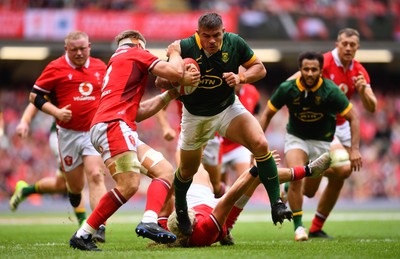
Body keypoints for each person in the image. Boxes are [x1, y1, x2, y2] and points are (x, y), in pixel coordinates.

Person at [155, 12, 291, 236]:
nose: (211, 41)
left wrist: (241, 78)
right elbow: (160, 80)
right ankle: (180, 209)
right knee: (187, 170)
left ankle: (276, 202)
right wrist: (179, 76)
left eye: (216, 36)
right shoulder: (183, 48)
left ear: (223, 33)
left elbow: (260, 68)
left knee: (260, 143)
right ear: (198, 34)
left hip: (227, 108)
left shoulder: (235, 43)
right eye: (206, 36)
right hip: (195, 116)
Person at [68, 29, 200, 251]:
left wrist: (171, 95)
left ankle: (148, 220)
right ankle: (84, 234)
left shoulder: (118, 61)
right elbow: (175, 72)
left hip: (117, 125)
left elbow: (137, 112)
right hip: (114, 126)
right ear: (138, 42)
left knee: (165, 171)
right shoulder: (136, 53)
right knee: (128, 184)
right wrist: (175, 52)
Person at [259, 51, 362, 242]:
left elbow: (353, 118)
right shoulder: (287, 88)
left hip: (322, 142)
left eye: (314, 69)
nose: (309, 73)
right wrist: (257, 147)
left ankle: (288, 185)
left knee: (310, 190)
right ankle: (299, 227)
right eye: (305, 69)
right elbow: (266, 115)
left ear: (321, 71)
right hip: (296, 138)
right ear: (300, 70)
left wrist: (354, 149)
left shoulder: (330, 90)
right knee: (298, 175)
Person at [287, 28, 377, 239]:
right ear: (337, 44)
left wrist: (363, 90)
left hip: (343, 125)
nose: (348, 48)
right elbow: (292, 82)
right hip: (323, 124)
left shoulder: (359, 71)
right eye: (344, 43)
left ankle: (316, 226)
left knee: (330, 181)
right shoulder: (324, 61)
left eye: (352, 45)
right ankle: (304, 173)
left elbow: (371, 107)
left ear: (357, 48)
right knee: (343, 168)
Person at [29, 31, 108, 242]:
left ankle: (99, 225)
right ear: (67, 49)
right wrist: (56, 112)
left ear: (89, 46)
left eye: (83, 48)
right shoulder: (55, 68)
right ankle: (74, 195)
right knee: (75, 186)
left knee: (96, 175)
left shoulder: (101, 67)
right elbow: (34, 96)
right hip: (68, 134)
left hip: (93, 132)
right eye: (74, 50)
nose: (80, 53)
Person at [167, 151, 331, 247]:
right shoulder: (204, 229)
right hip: (223, 218)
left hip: (201, 200)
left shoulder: (177, 229)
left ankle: (197, 141)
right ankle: (308, 171)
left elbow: (165, 211)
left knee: (185, 161)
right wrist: (256, 166)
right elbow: (230, 198)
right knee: (258, 174)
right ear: (190, 225)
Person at [9, 103, 87, 227]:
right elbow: (36, 98)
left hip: (80, 135)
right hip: (62, 136)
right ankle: (84, 224)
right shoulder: (60, 83)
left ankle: (25, 191)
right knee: (76, 179)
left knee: (61, 185)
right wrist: (25, 121)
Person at [220, 68, 261, 187]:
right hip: (219, 145)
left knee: (247, 179)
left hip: (239, 145)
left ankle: (236, 203)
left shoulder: (252, 92)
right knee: (217, 188)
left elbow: (256, 114)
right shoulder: (218, 92)